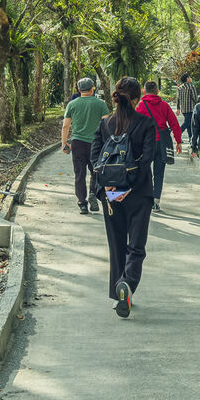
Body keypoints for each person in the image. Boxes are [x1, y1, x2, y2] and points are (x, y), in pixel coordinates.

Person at [91, 76, 157, 318]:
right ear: (137, 98)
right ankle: (127, 283)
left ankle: (117, 291)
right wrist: (129, 188)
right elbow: (147, 160)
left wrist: (109, 189)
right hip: (139, 194)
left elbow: (95, 157)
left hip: (110, 195)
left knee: (116, 245)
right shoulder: (146, 124)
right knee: (136, 246)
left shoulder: (105, 123)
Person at [136, 79, 182, 213]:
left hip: (146, 144)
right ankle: (155, 202)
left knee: (144, 171)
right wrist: (178, 142)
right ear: (157, 91)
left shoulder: (141, 106)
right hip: (162, 143)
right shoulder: (164, 105)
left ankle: (144, 198)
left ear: (144, 91)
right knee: (159, 173)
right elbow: (174, 124)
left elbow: (136, 125)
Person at [61, 77, 105, 213]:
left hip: (77, 143)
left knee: (79, 173)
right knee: (95, 171)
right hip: (96, 144)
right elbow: (106, 124)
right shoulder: (100, 104)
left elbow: (65, 126)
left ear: (79, 90)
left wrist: (64, 143)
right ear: (92, 88)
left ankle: (82, 203)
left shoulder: (72, 104)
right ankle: (93, 193)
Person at [176, 73, 198, 144]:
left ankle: (190, 138)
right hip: (190, 108)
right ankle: (177, 134)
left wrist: (178, 108)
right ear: (187, 79)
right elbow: (195, 98)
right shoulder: (191, 86)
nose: (190, 78)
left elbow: (178, 99)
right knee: (187, 123)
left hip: (183, 109)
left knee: (188, 123)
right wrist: (197, 104)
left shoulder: (180, 88)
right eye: (189, 77)